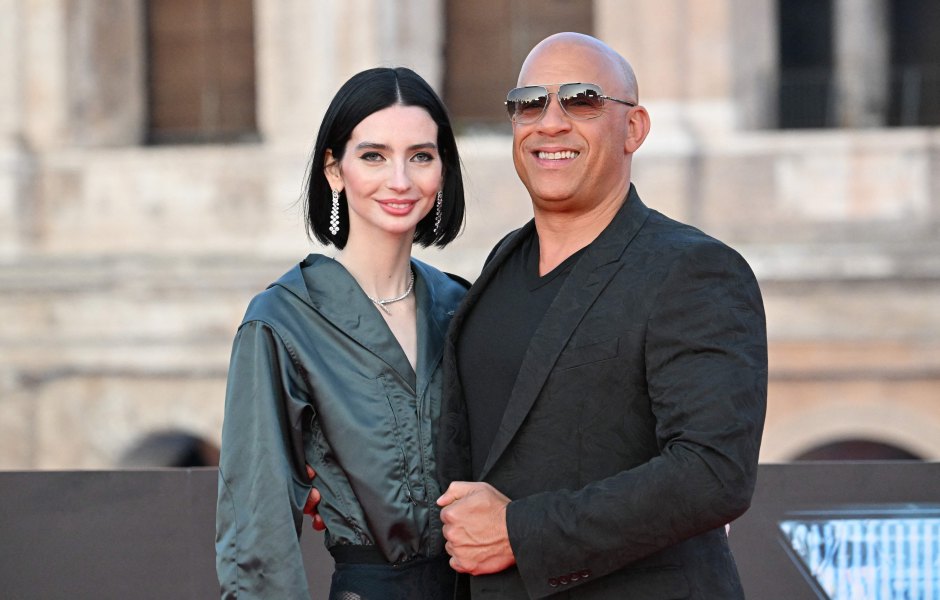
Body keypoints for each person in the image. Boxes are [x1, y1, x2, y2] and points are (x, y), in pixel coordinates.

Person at [433, 32, 768, 598]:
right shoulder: (500, 265)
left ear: (633, 128)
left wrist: (521, 532)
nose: (550, 123)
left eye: (582, 99)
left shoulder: (695, 269)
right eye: (529, 103)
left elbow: (714, 472)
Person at [215, 66, 468, 599]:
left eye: (421, 155)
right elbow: (256, 531)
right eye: (373, 155)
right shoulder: (281, 322)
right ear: (334, 169)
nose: (400, 180)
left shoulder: (464, 307)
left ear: (442, 170)